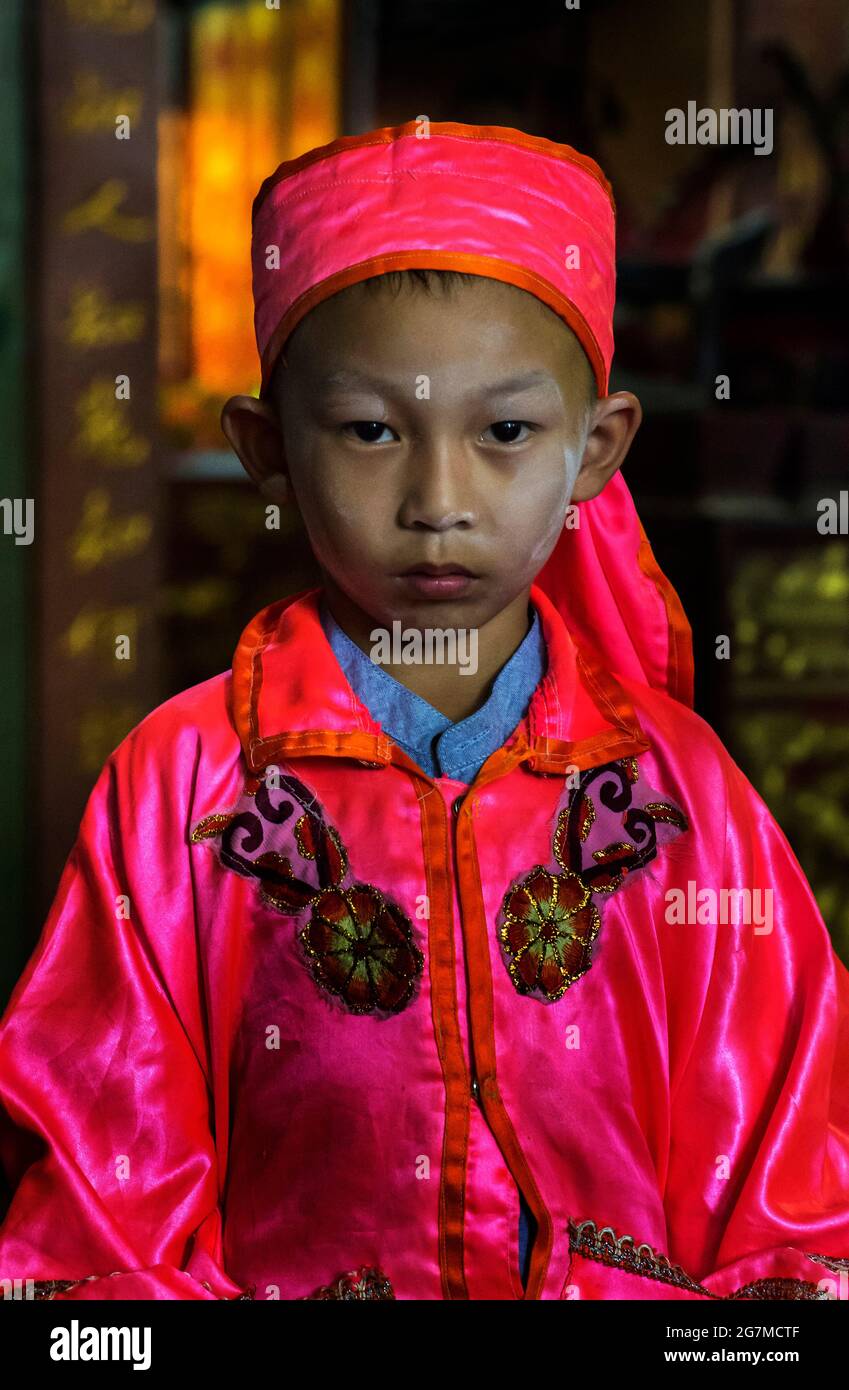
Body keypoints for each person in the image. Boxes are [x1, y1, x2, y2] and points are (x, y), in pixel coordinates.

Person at [1, 119, 848, 1302]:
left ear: (596, 449)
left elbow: (793, 1186)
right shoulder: (181, 787)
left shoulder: (681, 792)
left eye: (506, 432)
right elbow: (102, 1210)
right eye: (368, 431)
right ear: (268, 450)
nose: (438, 500)